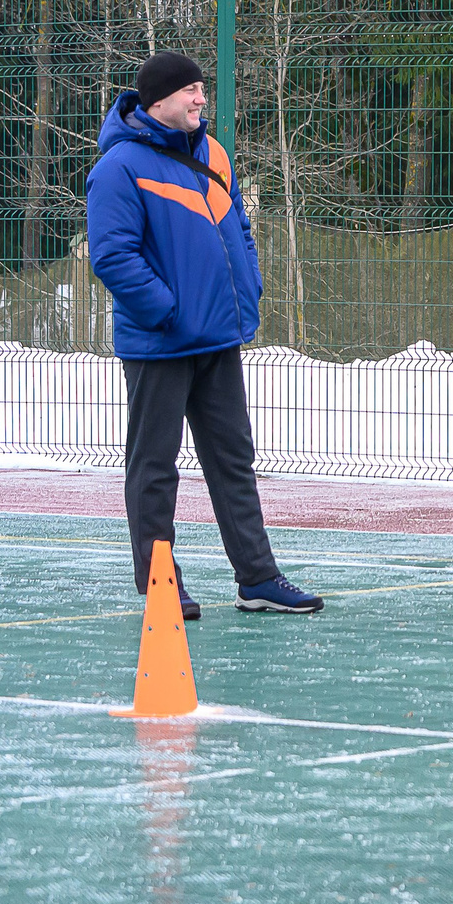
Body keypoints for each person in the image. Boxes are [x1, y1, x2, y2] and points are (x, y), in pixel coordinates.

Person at [85, 52, 322, 620]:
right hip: (160, 343)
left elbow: (238, 224)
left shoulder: (214, 154)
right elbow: (112, 256)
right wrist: (168, 312)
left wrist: (251, 285)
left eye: (201, 89)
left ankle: (258, 579)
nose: (200, 99)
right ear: (157, 101)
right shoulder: (118, 167)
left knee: (233, 460)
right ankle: (161, 586)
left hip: (218, 338)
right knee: (154, 467)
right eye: (190, 90)